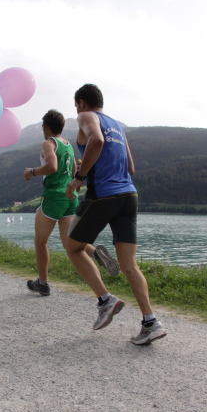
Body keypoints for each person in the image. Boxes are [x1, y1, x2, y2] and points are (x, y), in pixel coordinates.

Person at [65, 83, 167, 345]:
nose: (77, 110)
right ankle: (150, 322)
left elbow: (97, 141)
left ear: (81, 103)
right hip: (129, 196)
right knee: (129, 265)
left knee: (73, 247)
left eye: (76, 105)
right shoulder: (118, 126)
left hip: (103, 196)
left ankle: (105, 300)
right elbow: (130, 167)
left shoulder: (86, 116)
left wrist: (80, 176)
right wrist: (95, 163)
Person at [24, 110, 120, 297]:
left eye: (43, 126)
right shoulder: (67, 145)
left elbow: (51, 166)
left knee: (40, 241)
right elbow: (75, 168)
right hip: (70, 197)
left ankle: (42, 283)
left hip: (53, 197)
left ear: (46, 126)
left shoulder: (48, 143)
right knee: (69, 243)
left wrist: (32, 171)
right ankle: (95, 253)